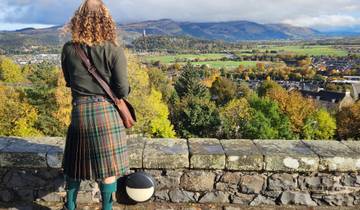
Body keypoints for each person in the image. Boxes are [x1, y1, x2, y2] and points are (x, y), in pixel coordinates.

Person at [60, 0, 131, 209]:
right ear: (106, 20)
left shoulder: (68, 49)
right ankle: (107, 208)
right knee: (108, 169)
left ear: (78, 20)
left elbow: (68, 82)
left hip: (80, 113)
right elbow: (122, 91)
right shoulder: (113, 50)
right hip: (106, 112)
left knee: (75, 164)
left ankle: (70, 206)